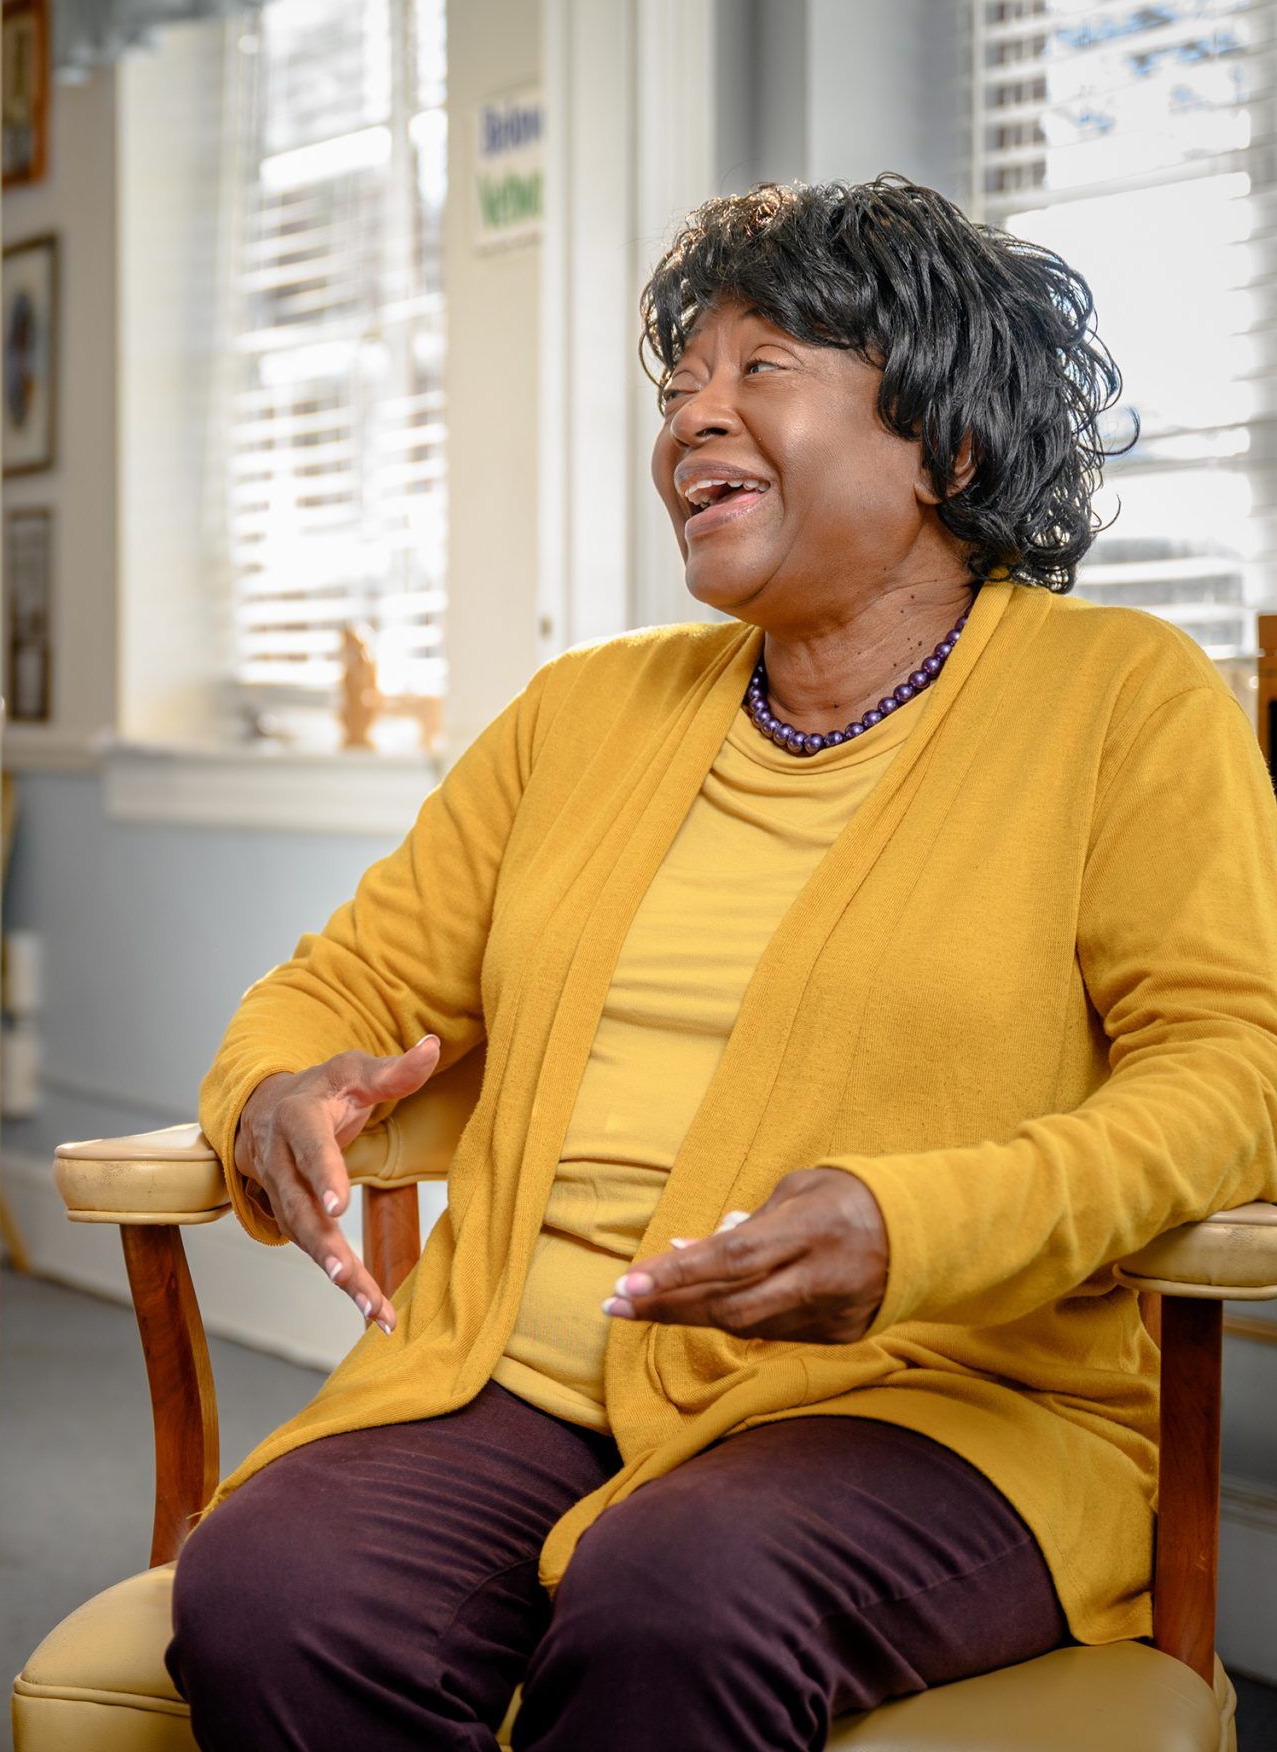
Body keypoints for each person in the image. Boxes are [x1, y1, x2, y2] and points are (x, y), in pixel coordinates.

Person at [165, 176, 1277, 1750]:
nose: (693, 417)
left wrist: (915, 1224)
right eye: (681, 383)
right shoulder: (586, 713)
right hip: (525, 1375)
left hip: (942, 1399)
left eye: (762, 370)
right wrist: (273, 1085)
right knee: (271, 1596)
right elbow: (340, 985)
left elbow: (1232, 1079)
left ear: (946, 444)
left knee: (681, 1595)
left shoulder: (1125, 701)